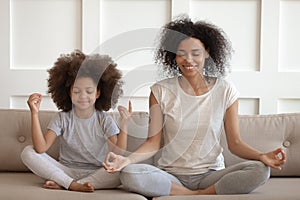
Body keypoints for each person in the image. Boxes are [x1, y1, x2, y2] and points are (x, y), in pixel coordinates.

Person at [102, 16, 286, 197]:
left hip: (211, 174)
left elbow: (235, 143)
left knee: (260, 170)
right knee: (129, 173)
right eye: (181, 54)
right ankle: (196, 193)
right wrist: (126, 160)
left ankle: (199, 192)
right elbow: (153, 143)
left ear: (207, 52)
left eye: (195, 53)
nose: (188, 60)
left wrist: (261, 155)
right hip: (171, 175)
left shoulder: (225, 90)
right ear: (174, 56)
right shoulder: (160, 91)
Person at [21, 50, 132, 192]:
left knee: (126, 169)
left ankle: (65, 184)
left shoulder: (105, 120)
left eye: (89, 91)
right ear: (69, 92)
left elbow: (118, 154)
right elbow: (41, 148)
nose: (82, 96)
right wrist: (34, 113)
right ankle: (73, 184)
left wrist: (124, 124)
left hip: (97, 172)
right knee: (27, 152)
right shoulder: (62, 118)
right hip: (65, 170)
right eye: (76, 91)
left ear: (98, 93)